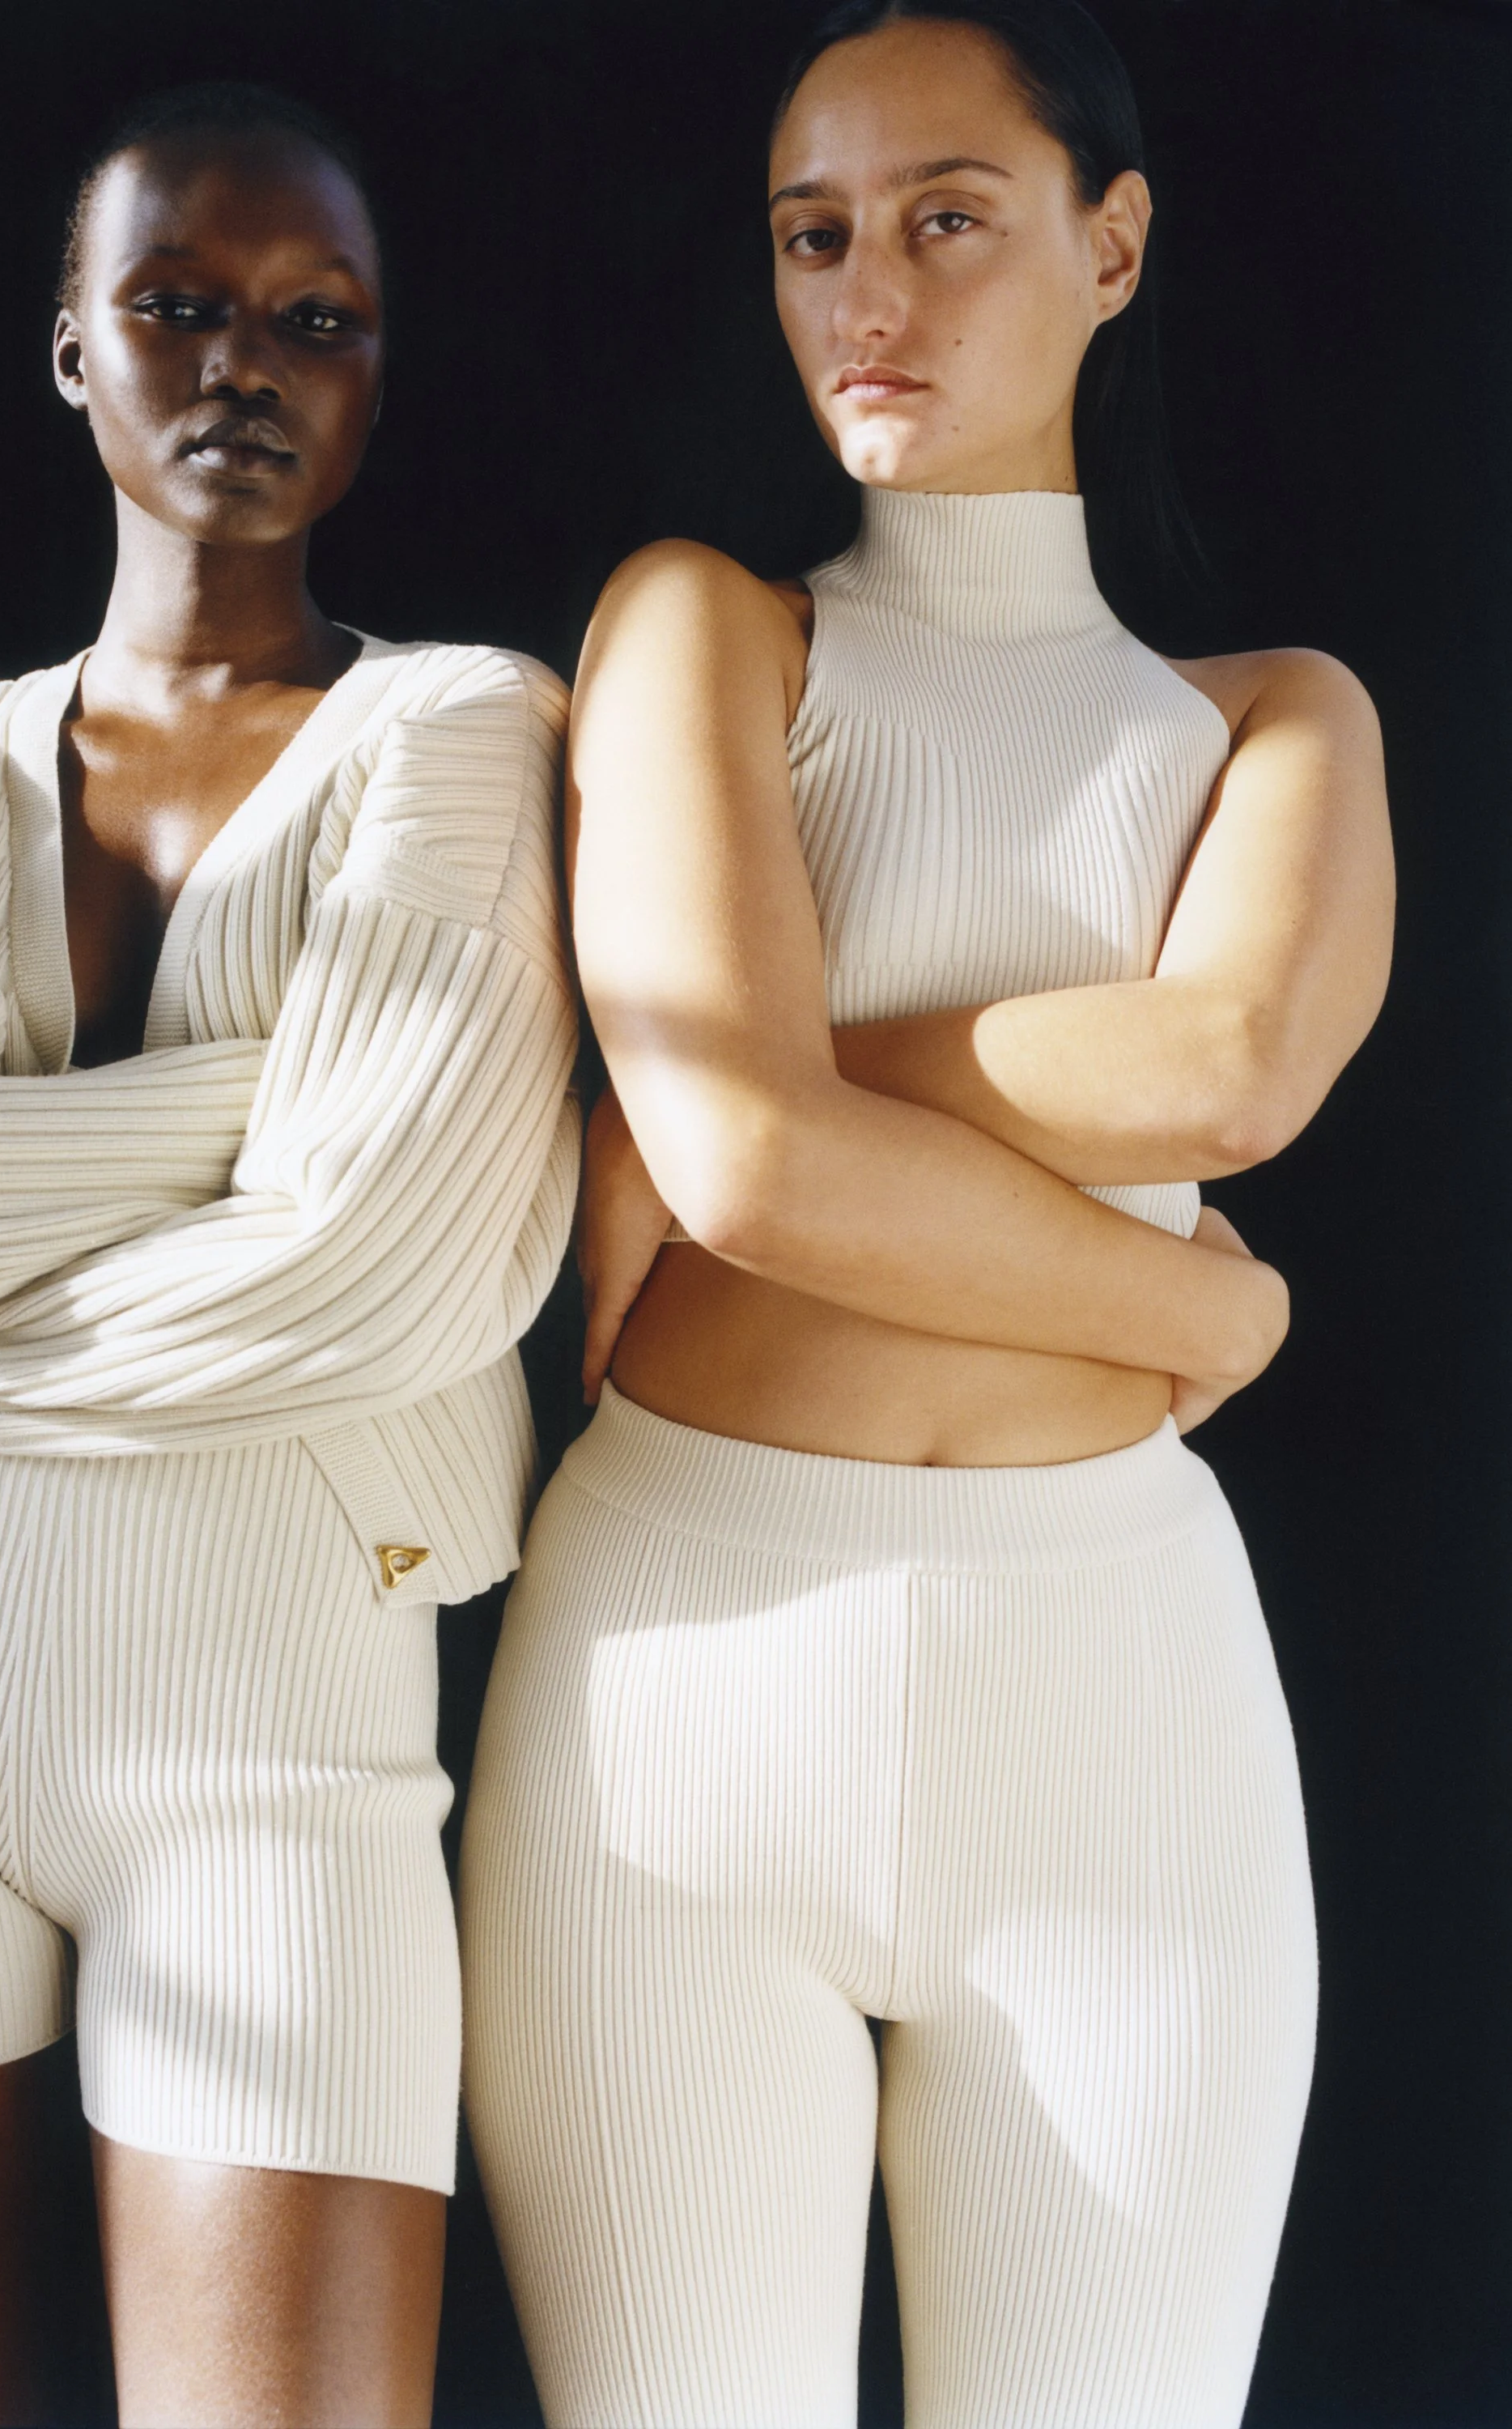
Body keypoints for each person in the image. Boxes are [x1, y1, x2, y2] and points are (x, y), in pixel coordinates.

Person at [459, 4, 1392, 2424]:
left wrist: (725, 1065)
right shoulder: (702, 621)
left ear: (1114, 244)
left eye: (946, 220)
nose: (866, 295)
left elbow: (1228, 1066)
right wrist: (1210, 1312)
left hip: (1121, 1720)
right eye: (815, 237)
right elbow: (754, 1160)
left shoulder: (1272, 719)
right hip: (679, 1692)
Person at [0, 82, 575, 2429]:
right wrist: (285, 1108)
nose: (244, 367)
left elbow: (388, 1266)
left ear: (377, 372)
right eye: (178, 306)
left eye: (316, 320)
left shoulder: (458, 728)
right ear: (73, 345)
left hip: (271, 1744)